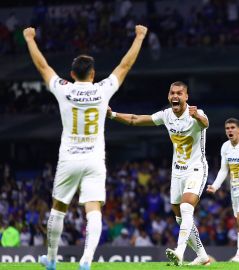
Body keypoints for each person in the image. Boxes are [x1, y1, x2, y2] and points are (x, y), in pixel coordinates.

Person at [23, 25, 148, 270]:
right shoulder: (102, 90)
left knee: (58, 208)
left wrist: (29, 39)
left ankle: (50, 259)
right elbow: (125, 66)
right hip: (94, 159)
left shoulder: (64, 89)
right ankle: (87, 259)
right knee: (93, 209)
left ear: (71, 74)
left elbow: (42, 66)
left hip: (69, 158)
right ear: (92, 75)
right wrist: (140, 36)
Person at [107, 81, 210, 266]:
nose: (175, 96)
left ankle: (179, 251)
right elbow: (135, 119)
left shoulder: (196, 113)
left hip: (196, 169)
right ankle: (202, 255)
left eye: (180, 93)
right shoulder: (167, 115)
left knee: (187, 208)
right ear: (168, 96)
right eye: (172, 93)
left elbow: (205, 124)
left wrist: (197, 117)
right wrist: (112, 114)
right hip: (177, 171)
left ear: (186, 96)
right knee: (179, 217)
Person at [207, 118, 239, 262]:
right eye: (227, 128)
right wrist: (215, 186)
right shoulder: (225, 147)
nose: (229, 130)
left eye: (232, 127)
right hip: (234, 187)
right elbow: (224, 170)